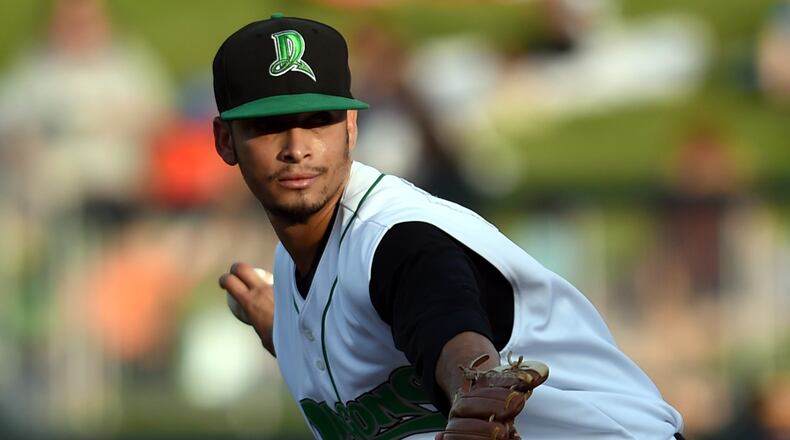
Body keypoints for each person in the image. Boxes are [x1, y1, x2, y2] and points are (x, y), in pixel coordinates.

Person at [214, 14, 684, 439]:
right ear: (225, 140)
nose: (298, 146)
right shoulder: (299, 264)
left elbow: (447, 322)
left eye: (319, 121)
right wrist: (289, 332)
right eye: (269, 125)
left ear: (351, 127)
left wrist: (474, 382)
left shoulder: (395, 237)